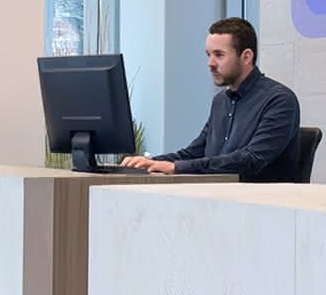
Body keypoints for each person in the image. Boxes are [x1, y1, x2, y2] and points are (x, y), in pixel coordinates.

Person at [122, 17, 301, 182]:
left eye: (219, 55)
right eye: (209, 55)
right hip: (217, 199)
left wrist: (176, 167)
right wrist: (150, 162)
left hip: (258, 206)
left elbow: (251, 160)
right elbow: (196, 152)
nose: (210, 63)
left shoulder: (280, 100)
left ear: (246, 57)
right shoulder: (220, 101)